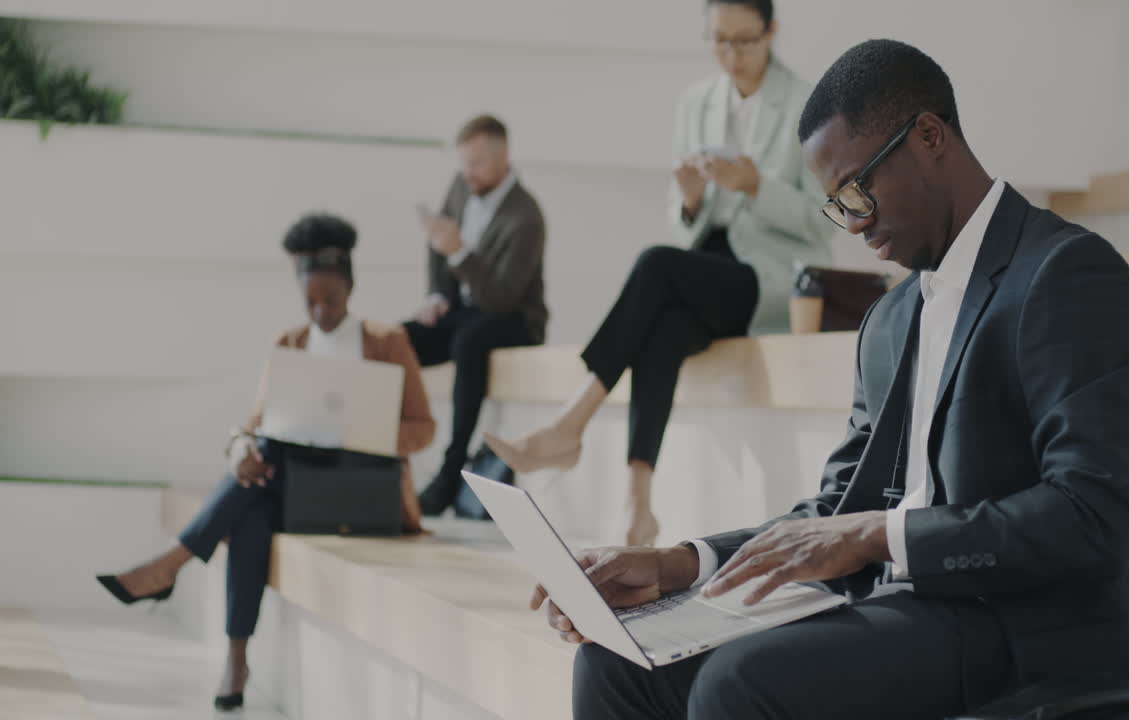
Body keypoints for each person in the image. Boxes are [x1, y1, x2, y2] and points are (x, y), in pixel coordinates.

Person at [539, 39, 1129, 719]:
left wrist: (880, 536)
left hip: (1037, 632)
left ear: (929, 136)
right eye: (837, 205)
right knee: (614, 663)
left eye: (856, 190)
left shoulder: (1066, 274)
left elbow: (1096, 516)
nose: (854, 223)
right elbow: (835, 513)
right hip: (910, 616)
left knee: (743, 682)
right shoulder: (891, 318)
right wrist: (680, 564)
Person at [486, 0, 831, 547]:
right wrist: (691, 202)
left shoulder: (810, 104)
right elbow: (682, 216)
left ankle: (570, 424)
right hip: (702, 270)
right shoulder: (696, 102)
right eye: (719, 40)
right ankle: (638, 506)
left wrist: (755, 187)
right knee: (664, 325)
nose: (731, 55)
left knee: (654, 265)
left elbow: (822, 222)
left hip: (762, 279)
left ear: (772, 32)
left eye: (744, 41)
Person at [95, 213, 435, 711]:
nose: (320, 312)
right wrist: (240, 449)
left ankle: (174, 565)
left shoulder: (387, 342)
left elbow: (424, 428)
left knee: (266, 471)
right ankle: (236, 658)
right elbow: (253, 421)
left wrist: (362, 428)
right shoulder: (288, 343)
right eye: (311, 302)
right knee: (255, 494)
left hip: (363, 492)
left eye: (331, 301)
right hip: (297, 489)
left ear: (351, 287)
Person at [403, 114, 548, 516]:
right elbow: (439, 241)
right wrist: (436, 295)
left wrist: (460, 252)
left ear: (504, 158)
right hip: (465, 309)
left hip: (516, 318)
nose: (468, 172)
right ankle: (383, 465)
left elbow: (501, 299)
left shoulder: (527, 217)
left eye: (477, 163)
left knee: (469, 342)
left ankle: (450, 473)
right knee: (398, 340)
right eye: (463, 162)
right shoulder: (460, 187)